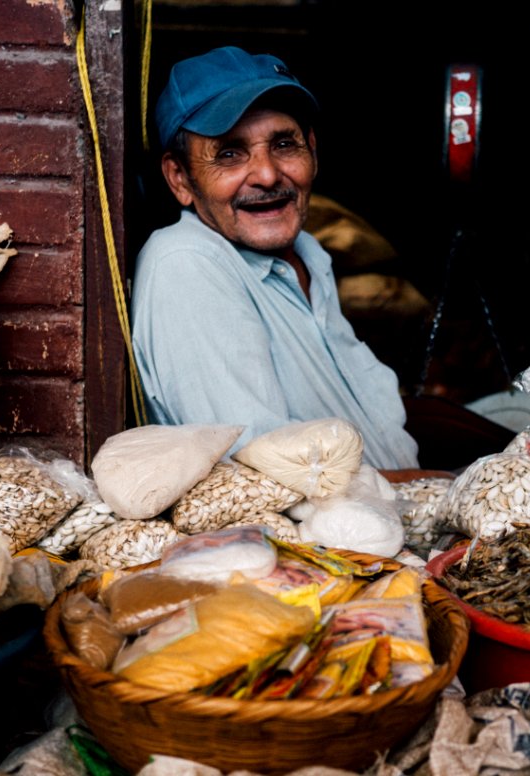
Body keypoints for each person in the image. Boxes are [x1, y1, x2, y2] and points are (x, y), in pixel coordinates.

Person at [131, 45, 420, 470]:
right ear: (180, 178)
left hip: (389, 521)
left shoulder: (309, 254)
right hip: (310, 535)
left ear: (313, 152)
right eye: (229, 153)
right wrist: (430, 488)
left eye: (284, 144)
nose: (267, 175)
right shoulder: (186, 264)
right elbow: (265, 472)